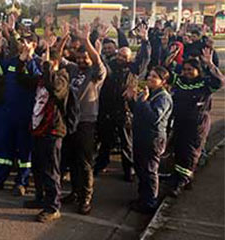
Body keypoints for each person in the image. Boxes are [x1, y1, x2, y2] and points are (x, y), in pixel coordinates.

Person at [0, 23, 41, 195]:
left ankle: (21, 182)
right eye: (21, 41)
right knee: (3, 148)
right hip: (7, 114)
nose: (22, 44)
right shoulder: (12, 61)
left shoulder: (36, 62)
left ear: (34, 45)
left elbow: (36, 80)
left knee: (24, 151)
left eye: (26, 41)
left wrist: (27, 59)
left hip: (26, 115)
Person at [94, 25, 151, 181]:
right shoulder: (111, 66)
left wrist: (145, 41)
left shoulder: (133, 69)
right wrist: (97, 42)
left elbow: (144, 58)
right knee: (105, 141)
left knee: (126, 143)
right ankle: (100, 164)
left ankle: (128, 170)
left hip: (124, 111)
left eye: (123, 57)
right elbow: (98, 63)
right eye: (119, 55)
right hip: (107, 109)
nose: (120, 58)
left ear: (129, 58)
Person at [166, 47, 224, 197]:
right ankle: (180, 177)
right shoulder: (181, 81)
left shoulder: (204, 83)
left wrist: (210, 64)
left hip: (197, 123)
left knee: (190, 152)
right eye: (185, 69)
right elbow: (165, 75)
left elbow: (219, 82)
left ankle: (182, 181)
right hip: (180, 122)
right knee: (178, 149)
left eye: (190, 69)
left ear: (198, 70)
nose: (187, 72)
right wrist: (168, 60)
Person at [61, 24, 107, 215]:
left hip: (86, 122)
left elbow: (97, 60)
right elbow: (57, 58)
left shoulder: (96, 74)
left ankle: (85, 198)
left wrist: (87, 40)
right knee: (71, 160)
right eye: (78, 57)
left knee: (85, 162)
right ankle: (74, 192)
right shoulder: (73, 69)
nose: (81, 60)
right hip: (69, 121)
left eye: (84, 58)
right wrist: (63, 38)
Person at [23, 44, 70, 223]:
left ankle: (53, 207)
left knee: (51, 170)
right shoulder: (43, 77)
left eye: (46, 60)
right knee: (38, 167)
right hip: (38, 129)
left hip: (53, 130)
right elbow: (23, 80)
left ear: (54, 62)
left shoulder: (62, 77)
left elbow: (55, 91)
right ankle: (40, 198)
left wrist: (48, 67)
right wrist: (24, 58)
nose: (42, 63)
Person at [124, 66, 173, 214]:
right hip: (141, 137)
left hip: (153, 139)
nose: (150, 79)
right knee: (141, 169)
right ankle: (143, 198)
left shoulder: (163, 97)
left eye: (155, 77)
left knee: (150, 170)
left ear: (163, 81)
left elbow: (153, 118)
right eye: (150, 75)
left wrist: (144, 102)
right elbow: (138, 112)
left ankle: (150, 201)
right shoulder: (149, 93)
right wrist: (132, 99)